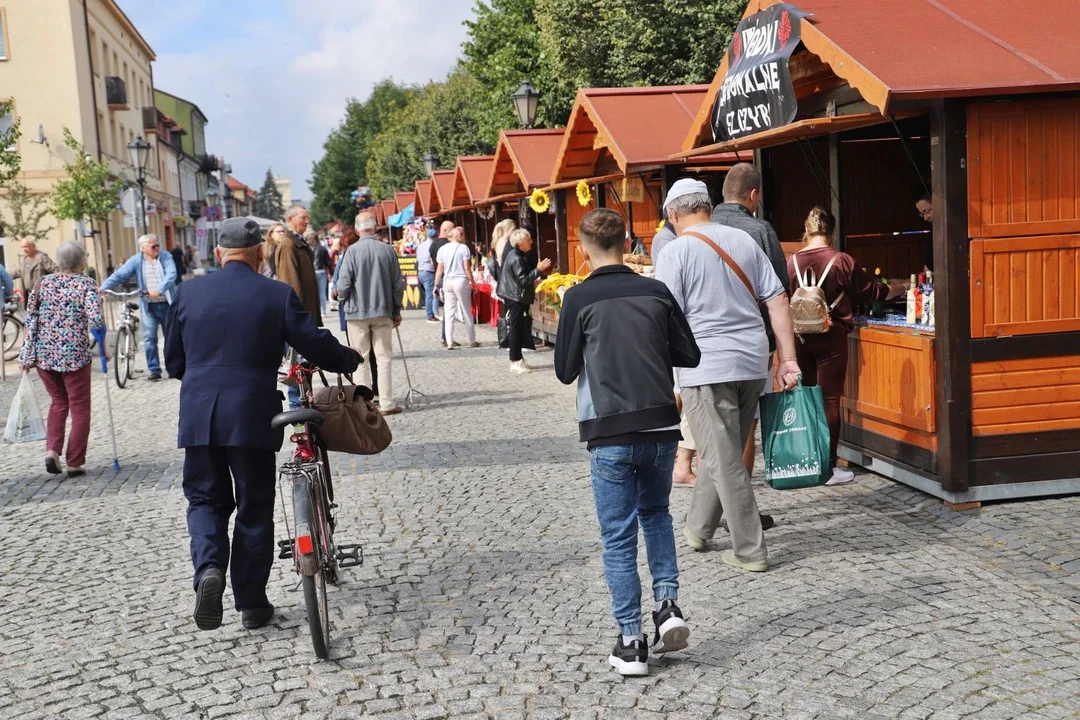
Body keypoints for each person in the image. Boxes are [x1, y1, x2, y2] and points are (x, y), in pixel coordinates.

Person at [164, 216, 361, 632]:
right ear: (259, 255)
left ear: (218, 254)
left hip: (199, 415)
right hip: (252, 413)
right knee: (254, 507)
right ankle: (252, 603)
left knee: (204, 501)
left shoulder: (187, 292)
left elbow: (174, 363)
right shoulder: (275, 294)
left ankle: (209, 571)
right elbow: (313, 341)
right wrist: (348, 360)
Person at [555, 208, 701, 677]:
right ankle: (667, 606)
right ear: (628, 243)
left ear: (582, 248)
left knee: (618, 538)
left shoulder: (578, 298)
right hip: (660, 426)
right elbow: (689, 353)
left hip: (609, 430)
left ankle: (632, 641)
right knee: (656, 514)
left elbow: (564, 370)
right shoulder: (656, 291)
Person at [656, 179, 801, 574]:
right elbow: (778, 299)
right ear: (708, 205)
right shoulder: (744, 241)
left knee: (723, 459)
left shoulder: (675, 251)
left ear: (673, 214)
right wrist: (787, 358)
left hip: (706, 365)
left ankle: (750, 550)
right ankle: (698, 529)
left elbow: (667, 318)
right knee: (726, 451)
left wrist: (669, 380)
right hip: (751, 361)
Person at [789, 207, 909, 485]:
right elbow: (874, 292)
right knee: (830, 401)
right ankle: (828, 468)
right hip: (832, 337)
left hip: (800, 339)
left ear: (806, 231)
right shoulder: (842, 261)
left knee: (806, 400)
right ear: (832, 233)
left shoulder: (791, 261)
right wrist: (902, 288)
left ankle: (808, 460)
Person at [711, 163, 789, 495]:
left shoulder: (701, 229)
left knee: (714, 430)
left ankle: (712, 509)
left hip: (704, 346)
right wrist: (786, 355)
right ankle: (742, 508)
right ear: (753, 195)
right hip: (751, 345)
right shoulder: (759, 231)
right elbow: (779, 291)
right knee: (746, 426)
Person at [17, 241, 105, 478]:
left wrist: (27, 352)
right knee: (79, 408)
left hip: (45, 355)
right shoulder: (86, 283)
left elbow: (30, 318)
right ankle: (74, 463)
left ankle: (51, 451)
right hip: (74, 356)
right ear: (81, 261)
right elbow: (96, 321)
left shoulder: (43, 283)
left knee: (58, 402)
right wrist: (99, 302)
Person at [336, 211, 405, 416]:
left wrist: (341, 299)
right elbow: (397, 284)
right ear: (374, 227)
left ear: (357, 230)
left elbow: (344, 283)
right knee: (383, 359)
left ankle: (364, 404)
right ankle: (386, 403)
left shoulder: (351, 252)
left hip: (356, 313)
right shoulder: (387, 250)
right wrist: (396, 310)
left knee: (360, 359)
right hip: (383, 310)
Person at [100, 234, 177, 382]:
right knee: (149, 338)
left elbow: (171, 274)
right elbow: (120, 275)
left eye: (157, 245)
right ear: (143, 248)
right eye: (153, 246)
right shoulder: (136, 260)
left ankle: (173, 367)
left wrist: (159, 289)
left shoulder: (165, 257)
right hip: (149, 306)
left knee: (171, 338)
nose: (157, 249)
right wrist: (103, 287)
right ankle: (154, 369)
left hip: (167, 304)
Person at [497, 228, 552, 374]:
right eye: (528, 240)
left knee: (518, 327)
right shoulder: (516, 257)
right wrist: (538, 270)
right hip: (515, 296)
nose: (531, 242)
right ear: (521, 243)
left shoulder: (517, 255)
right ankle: (514, 360)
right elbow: (524, 279)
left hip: (514, 295)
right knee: (515, 328)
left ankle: (518, 358)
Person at [275, 206, 322, 327]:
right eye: (303, 218)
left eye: (308, 218)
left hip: (306, 312)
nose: (307, 221)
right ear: (290, 219)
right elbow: (290, 282)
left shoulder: (298, 241)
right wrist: (298, 315)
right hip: (301, 315)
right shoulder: (288, 244)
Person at [434, 226, 478, 350]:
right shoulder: (464, 248)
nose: (463, 237)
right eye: (462, 235)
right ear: (458, 235)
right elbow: (467, 268)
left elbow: (439, 270)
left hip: (447, 281)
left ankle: (449, 341)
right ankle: (471, 340)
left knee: (449, 312)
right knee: (466, 311)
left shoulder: (442, 249)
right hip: (460, 281)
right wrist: (473, 282)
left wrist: (436, 285)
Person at [430, 221, 454, 342]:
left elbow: (431, 262)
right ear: (446, 231)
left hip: (438, 278)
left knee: (447, 309)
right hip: (448, 277)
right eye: (452, 229)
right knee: (449, 310)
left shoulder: (433, 245)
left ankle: (446, 337)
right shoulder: (448, 245)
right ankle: (446, 337)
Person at [416, 227, 439, 323]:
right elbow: (432, 260)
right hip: (429, 271)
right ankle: (430, 315)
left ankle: (433, 312)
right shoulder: (433, 246)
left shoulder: (421, 245)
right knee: (430, 294)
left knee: (428, 293)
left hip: (421, 271)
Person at [489, 218, 516, 282]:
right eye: (513, 230)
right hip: (506, 274)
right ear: (507, 230)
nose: (514, 232)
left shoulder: (501, 241)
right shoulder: (504, 242)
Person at [313, 234, 331, 315]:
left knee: (313, 292)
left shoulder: (307, 247)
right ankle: (323, 311)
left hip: (312, 272)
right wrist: (331, 272)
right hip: (321, 271)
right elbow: (328, 261)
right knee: (322, 292)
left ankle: (315, 311)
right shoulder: (323, 248)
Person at [916, 192, 934, 271]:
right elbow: (927, 271)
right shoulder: (932, 234)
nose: (925, 218)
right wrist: (903, 283)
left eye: (927, 211)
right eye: (922, 214)